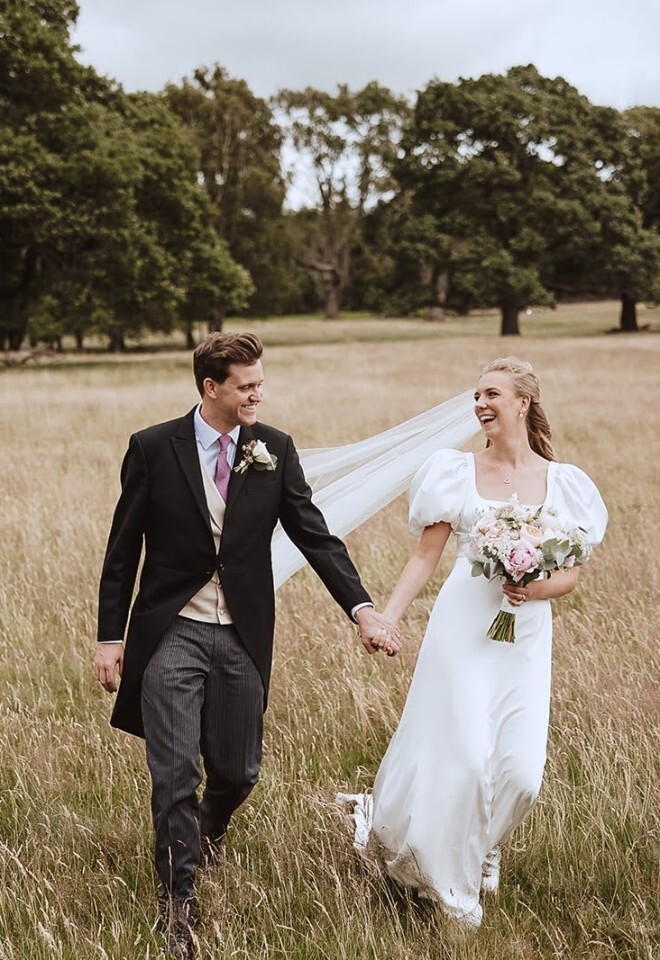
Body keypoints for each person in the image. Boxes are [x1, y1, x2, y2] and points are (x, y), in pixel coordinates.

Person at [94, 332, 399, 958]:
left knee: (236, 772)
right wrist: (109, 635)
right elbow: (122, 548)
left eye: (260, 382)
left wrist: (362, 610)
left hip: (240, 634)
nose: (258, 392)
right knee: (174, 771)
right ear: (212, 388)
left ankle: (205, 832)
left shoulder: (274, 450)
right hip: (169, 630)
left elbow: (316, 537)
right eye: (246, 385)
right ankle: (178, 907)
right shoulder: (153, 448)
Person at [340, 356, 608, 928]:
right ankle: (455, 897)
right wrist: (385, 617)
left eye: (492, 394)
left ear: (523, 402)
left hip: (525, 636)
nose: (481, 404)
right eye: (477, 395)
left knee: (521, 774)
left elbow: (573, 575)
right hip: (461, 628)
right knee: (462, 759)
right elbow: (425, 557)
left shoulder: (564, 483)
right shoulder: (454, 473)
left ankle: (486, 842)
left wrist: (534, 587)